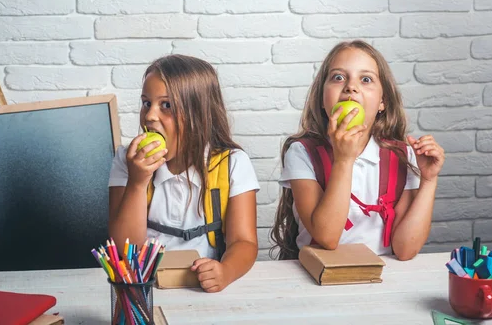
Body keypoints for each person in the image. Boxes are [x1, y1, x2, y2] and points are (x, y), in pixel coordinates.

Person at [271, 40, 445, 260]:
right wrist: (344, 160)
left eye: (366, 79)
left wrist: (428, 181)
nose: (350, 87)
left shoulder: (402, 155)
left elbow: (405, 250)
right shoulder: (301, 152)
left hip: (381, 275)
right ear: (322, 98)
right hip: (320, 275)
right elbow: (327, 237)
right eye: (338, 77)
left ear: (382, 102)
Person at [108, 55, 259, 292]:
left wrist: (226, 271)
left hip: (201, 288)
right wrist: (138, 183)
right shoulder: (126, 160)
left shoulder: (232, 164)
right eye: (147, 103)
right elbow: (124, 252)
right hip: (146, 288)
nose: (149, 116)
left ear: (199, 115)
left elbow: (244, 242)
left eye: (166, 105)